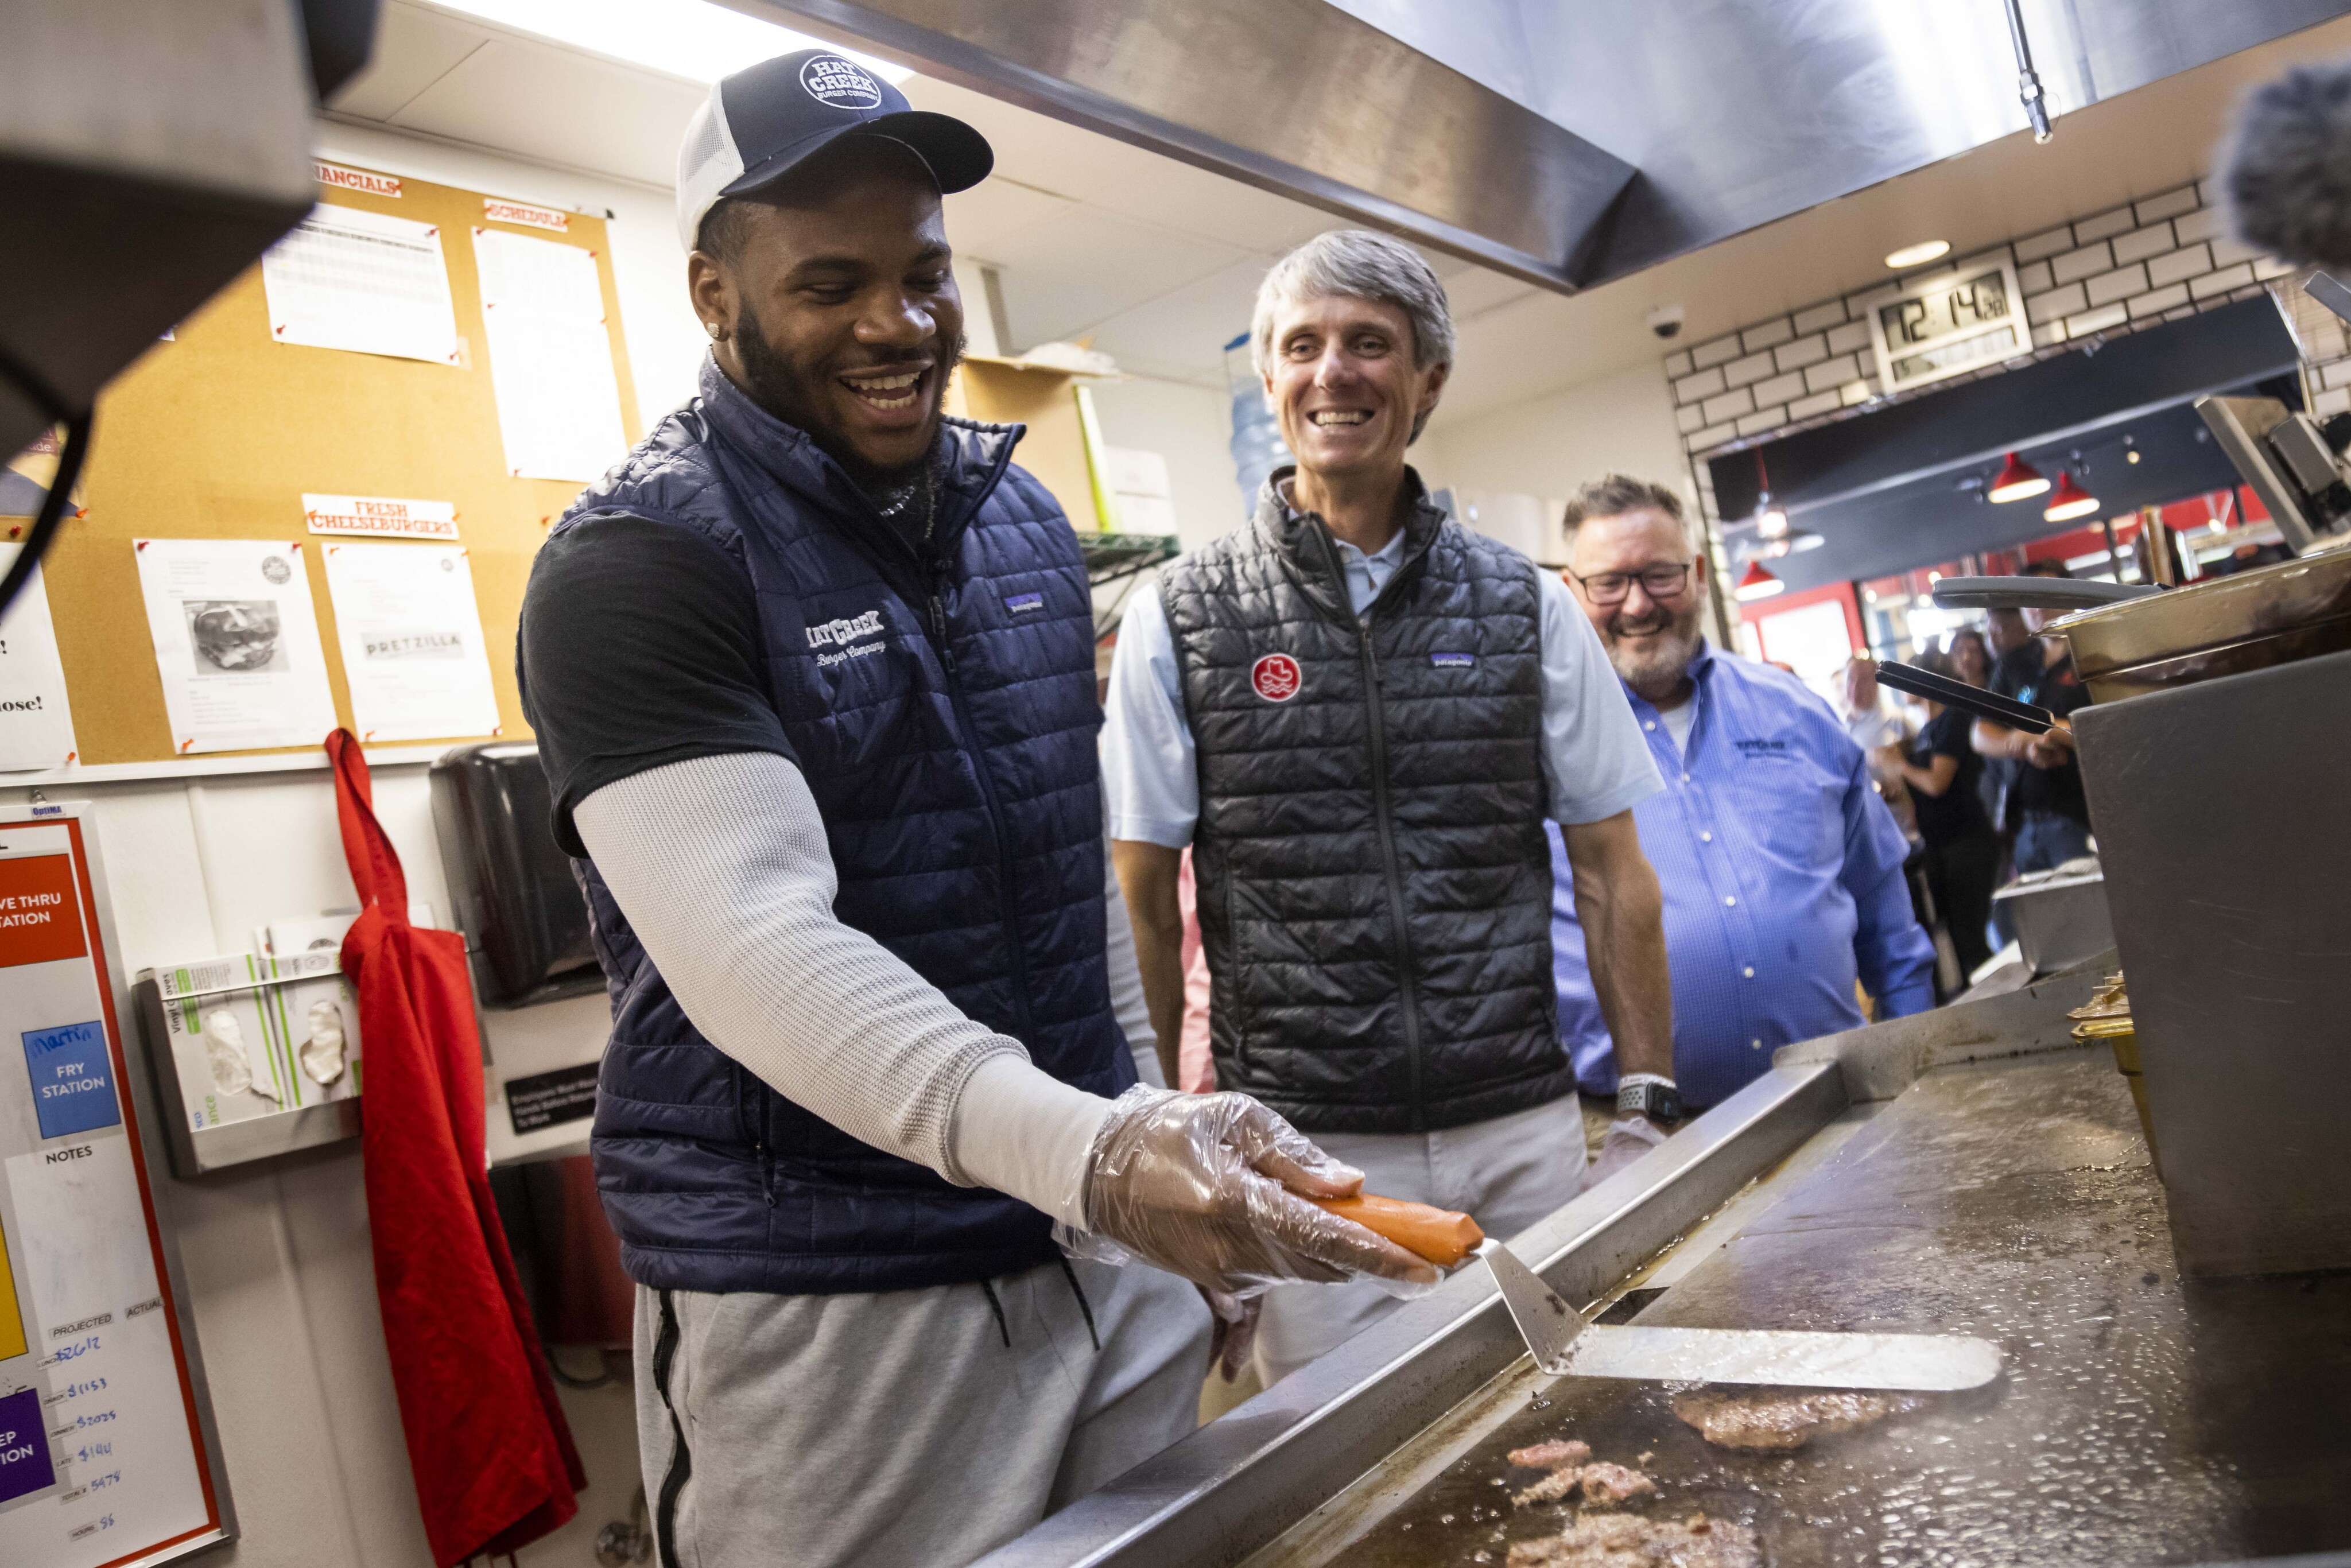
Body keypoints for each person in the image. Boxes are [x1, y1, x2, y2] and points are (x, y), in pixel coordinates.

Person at [515, 54, 1430, 1568]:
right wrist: (1101, 1155)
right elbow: (752, 943)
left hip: (1088, 1245)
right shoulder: (636, 564)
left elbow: (1062, 891)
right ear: (712, 292)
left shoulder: (1019, 522)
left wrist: (1143, 1136)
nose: (897, 322)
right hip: (835, 1303)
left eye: (925, 273)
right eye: (831, 282)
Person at [1101, 231, 1675, 1388]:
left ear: (1428, 380)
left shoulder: (1528, 605)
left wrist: (1643, 1109)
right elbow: (1143, 910)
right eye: (1300, 347)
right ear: (1267, 380)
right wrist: (1167, 1161)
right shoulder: (1181, 615)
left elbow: (1613, 869)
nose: (1333, 373)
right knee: (1348, 1463)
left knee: (1578, 1426)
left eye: (1370, 344)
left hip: (1520, 1127)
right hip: (1307, 1154)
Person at [1550, 476, 1938, 1116]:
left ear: (1698, 574)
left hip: (1838, 1110)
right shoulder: (1542, 746)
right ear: (1571, 591)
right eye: (1610, 583)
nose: (1638, 604)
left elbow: (1888, 925)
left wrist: (1914, 1075)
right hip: (1632, 1140)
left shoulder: (1799, 715)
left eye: (1660, 575)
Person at [1888, 630, 2002, 979]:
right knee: (1956, 935)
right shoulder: (1926, 729)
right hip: (1941, 845)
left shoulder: (1952, 719)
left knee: (1974, 938)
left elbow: (1938, 783)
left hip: (1966, 841)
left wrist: (1901, 766)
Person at [1974, 560, 2094, 874]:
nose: (2036, 608)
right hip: (2027, 825)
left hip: (2083, 817)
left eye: (2045, 596)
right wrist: (2021, 743)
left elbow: (2103, 731)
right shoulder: (2016, 663)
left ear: (2069, 597)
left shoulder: (2093, 655)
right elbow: (1981, 733)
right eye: (2028, 599)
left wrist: (2049, 732)